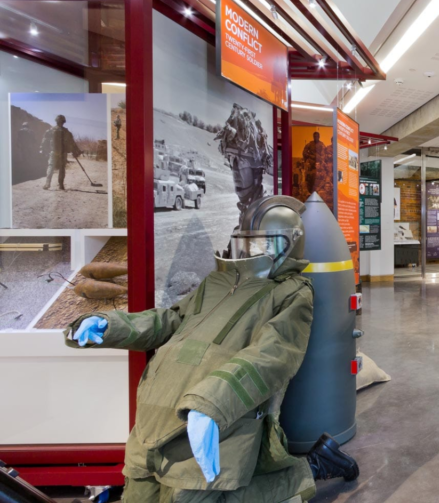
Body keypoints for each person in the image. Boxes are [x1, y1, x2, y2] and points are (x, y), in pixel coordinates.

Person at [65, 196, 359, 502]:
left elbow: (272, 356)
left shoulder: (292, 292)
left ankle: (313, 466)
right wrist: (110, 325)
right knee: (138, 494)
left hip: (217, 416)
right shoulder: (215, 281)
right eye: (249, 244)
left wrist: (211, 405)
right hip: (156, 415)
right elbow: (172, 320)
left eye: (265, 245)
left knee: (199, 496)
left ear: (290, 245)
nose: (253, 253)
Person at [41, 114, 81, 191]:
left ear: (56, 121)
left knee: (51, 166)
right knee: (62, 168)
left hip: (54, 152)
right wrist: (76, 151)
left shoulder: (51, 130)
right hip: (63, 153)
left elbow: (44, 140)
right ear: (63, 122)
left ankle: (47, 183)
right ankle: (61, 185)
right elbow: (72, 143)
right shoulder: (67, 131)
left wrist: (42, 148)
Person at [302, 131, 328, 198]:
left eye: (317, 136)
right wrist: (310, 156)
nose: (316, 137)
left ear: (319, 137)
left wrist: (320, 158)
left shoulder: (321, 144)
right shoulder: (310, 144)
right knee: (308, 175)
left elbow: (324, 153)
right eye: (314, 136)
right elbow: (304, 152)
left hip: (319, 161)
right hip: (311, 161)